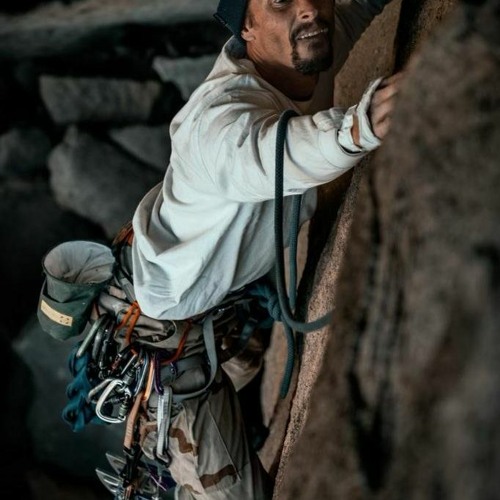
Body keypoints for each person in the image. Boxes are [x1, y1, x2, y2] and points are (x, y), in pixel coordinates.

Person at [125, 0, 402, 498]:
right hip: (174, 342)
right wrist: (360, 127)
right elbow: (271, 153)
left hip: (234, 307)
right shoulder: (217, 123)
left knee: (247, 377)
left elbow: (356, 7)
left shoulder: (299, 44)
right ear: (247, 26)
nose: (307, 9)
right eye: (279, 0)